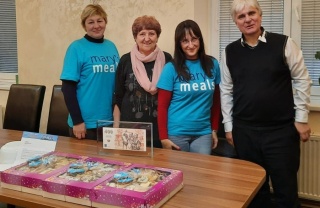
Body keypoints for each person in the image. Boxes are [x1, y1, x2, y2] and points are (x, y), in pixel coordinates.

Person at [220, 0, 312, 207]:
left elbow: (302, 80)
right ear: (236, 22)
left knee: (285, 192)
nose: (248, 19)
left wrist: (302, 118)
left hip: (281, 132)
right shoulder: (229, 52)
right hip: (245, 132)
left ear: (260, 15)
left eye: (251, 13)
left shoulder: (285, 43)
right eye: (241, 16)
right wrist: (228, 127)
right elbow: (225, 90)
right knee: (254, 193)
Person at [157, 19, 221, 155]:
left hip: (203, 133)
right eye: (185, 41)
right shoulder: (170, 68)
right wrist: (163, 137)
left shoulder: (212, 64)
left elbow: (216, 101)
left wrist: (214, 129)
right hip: (176, 134)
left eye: (194, 39)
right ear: (179, 44)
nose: (191, 45)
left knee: (201, 175)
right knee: (180, 175)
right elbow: (162, 106)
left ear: (200, 40)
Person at [60, 4, 120, 140]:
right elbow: (67, 88)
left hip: (110, 122)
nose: (96, 25)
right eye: (91, 22)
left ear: (105, 22)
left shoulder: (111, 46)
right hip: (85, 124)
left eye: (100, 21)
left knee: (111, 161)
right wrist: (77, 121)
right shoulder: (76, 48)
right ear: (84, 25)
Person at [113, 15, 172, 148]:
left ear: (157, 36)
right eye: (142, 34)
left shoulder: (167, 59)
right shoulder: (125, 60)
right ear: (135, 37)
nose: (147, 38)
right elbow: (118, 97)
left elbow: (172, 96)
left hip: (160, 131)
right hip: (130, 130)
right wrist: (116, 128)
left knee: (159, 167)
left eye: (151, 33)